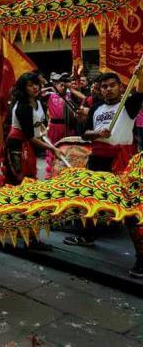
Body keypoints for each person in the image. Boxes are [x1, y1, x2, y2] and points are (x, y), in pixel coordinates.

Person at [64, 71, 143, 277]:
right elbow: (85, 133)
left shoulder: (128, 104)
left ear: (120, 87)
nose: (108, 89)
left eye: (112, 85)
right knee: (88, 200)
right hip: (97, 158)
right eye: (104, 86)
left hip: (121, 161)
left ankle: (142, 258)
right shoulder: (97, 108)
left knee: (130, 211)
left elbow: (140, 91)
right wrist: (97, 133)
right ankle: (87, 236)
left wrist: (140, 75)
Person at [2, 72, 63, 186]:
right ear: (23, 88)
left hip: (28, 144)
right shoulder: (23, 107)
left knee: (29, 176)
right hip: (17, 145)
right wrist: (53, 148)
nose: (35, 87)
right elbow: (31, 137)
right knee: (18, 180)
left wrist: (43, 129)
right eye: (30, 85)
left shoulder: (38, 102)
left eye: (36, 84)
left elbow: (37, 122)